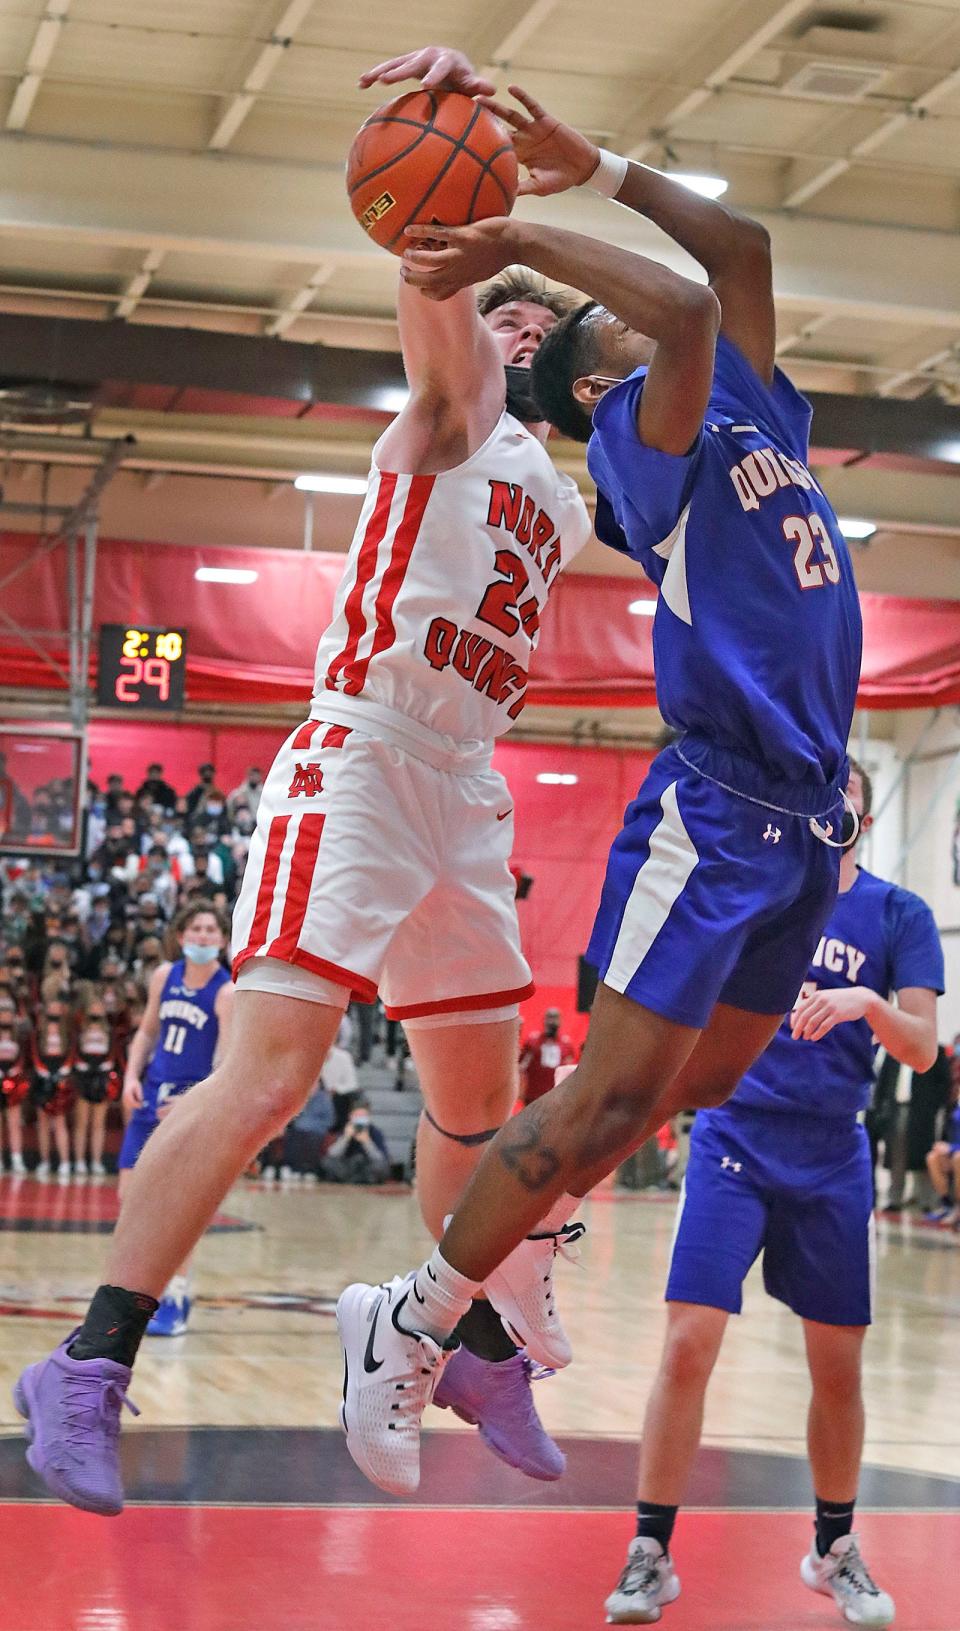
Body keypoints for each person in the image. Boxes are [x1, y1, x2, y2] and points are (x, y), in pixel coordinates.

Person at [13, 43, 592, 1517]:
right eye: (500, 299)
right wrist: (462, 146)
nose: (512, 311)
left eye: (538, 309)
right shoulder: (453, 410)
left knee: (482, 1108)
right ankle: (88, 1359)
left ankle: (454, 1331)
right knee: (266, 1076)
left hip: (467, 788)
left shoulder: (565, 494)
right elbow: (434, 263)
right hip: (365, 756)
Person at [334, 70, 862, 1497]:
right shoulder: (648, 439)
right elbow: (684, 308)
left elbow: (733, 259)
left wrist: (605, 165)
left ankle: (527, 1244)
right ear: (592, 377)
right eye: (613, 320)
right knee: (600, 1112)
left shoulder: (757, 406)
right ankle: (417, 1314)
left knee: (700, 1083)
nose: (649, 304)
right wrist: (519, 224)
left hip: (809, 816)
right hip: (721, 809)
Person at [603, 760, 940, 1628]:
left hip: (831, 1154)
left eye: (850, 811)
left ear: (860, 819)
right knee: (688, 1343)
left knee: (838, 1367)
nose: (837, 822)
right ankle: (651, 1550)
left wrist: (867, 1001)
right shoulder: (756, 899)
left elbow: (924, 1051)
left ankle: (833, 1548)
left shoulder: (900, 914)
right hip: (735, 1138)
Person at [117, 902, 232, 1337]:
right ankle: (139, 1290)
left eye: (210, 930)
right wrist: (131, 1075)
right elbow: (147, 1031)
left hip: (189, 1110)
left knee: (178, 1208)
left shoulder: (226, 992)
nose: (202, 936)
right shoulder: (164, 977)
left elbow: (225, 1061)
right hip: (151, 1101)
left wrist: (193, 1103)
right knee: (131, 1201)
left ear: (222, 940)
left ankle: (177, 1293)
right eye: (195, 929)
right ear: (181, 935)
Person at [71, 991, 122, 1179]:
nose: (96, 1010)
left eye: (99, 1007)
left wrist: (105, 1067)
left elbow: (113, 1052)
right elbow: (73, 1050)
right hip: (84, 1076)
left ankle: (96, 1161)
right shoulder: (80, 1029)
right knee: (82, 1122)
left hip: (101, 1076)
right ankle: (79, 1161)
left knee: (98, 1123)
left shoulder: (108, 1031)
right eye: (93, 1008)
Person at [320, 1096, 390, 1185]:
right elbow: (332, 1154)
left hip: (367, 1167)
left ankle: (365, 1180)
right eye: (357, 1116)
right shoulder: (346, 1130)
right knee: (327, 1162)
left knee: (382, 1166)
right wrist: (346, 1138)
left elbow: (380, 1158)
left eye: (363, 1116)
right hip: (348, 1167)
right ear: (350, 1116)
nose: (360, 1119)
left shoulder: (375, 1132)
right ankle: (347, 1179)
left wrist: (367, 1141)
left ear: (368, 1117)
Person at [519, 1006, 576, 1104]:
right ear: (544, 1020)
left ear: (560, 1021)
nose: (552, 1022)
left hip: (556, 1097)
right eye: (549, 1017)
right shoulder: (532, 1042)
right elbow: (521, 1068)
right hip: (534, 1096)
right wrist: (521, 1091)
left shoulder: (566, 1045)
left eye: (555, 1018)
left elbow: (569, 1073)